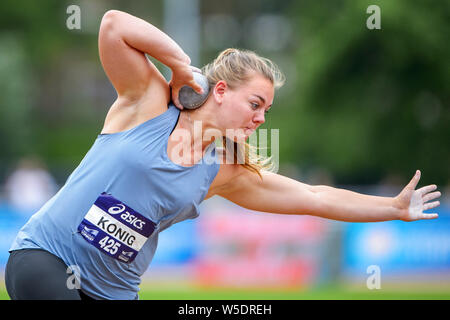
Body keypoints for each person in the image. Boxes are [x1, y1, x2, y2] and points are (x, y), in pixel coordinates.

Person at [4, 10, 441, 300]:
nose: (260, 119)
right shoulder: (148, 102)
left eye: (267, 111)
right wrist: (178, 65)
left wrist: (392, 207)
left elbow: (316, 197)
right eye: (255, 104)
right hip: (47, 258)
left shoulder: (224, 171)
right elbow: (113, 25)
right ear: (220, 89)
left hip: (114, 292)